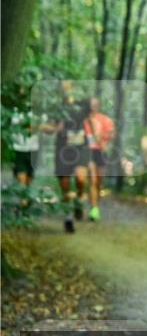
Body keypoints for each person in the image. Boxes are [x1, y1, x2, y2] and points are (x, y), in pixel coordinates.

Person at [53, 82, 90, 234]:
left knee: (81, 179)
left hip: (80, 148)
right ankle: (68, 218)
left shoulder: (82, 106)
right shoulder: (57, 109)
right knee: (65, 185)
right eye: (64, 88)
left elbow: (91, 103)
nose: (67, 90)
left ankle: (79, 202)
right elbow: (52, 127)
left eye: (69, 87)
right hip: (63, 150)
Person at [84, 97, 115, 221]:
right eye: (91, 104)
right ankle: (94, 208)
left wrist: (101, 135)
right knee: (92, 179)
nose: (94, 106)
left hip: (101, 151)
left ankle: (95, 204)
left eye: (96, 104)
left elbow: (112, 135)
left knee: (98, 181)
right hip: (88, 151)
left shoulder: (106, 120)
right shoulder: (84, 120)